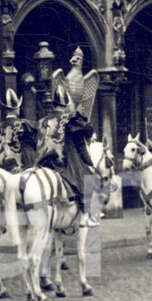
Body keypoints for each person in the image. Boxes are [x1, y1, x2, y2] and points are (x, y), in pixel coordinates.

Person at [35, 85, 99, 224]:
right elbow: (85, 135)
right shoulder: (69, 120)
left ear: (54, 104)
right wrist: (90, 163)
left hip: (41, 161)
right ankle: (87, 215)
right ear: (65, 104)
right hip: (63, 162)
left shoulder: (42, 121)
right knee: (87, 178)